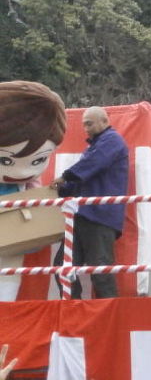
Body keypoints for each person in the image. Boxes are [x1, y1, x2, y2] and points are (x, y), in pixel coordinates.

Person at [51, 106, 129, 299]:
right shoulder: (95, 147)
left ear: (105, 121)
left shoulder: (112, 140)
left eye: (89, 123)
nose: (85, 128)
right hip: (83, 214)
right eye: (84, 124)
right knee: (63, 267)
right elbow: (83, 176)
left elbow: (93, 164)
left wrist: (64, 178)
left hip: (100, 216)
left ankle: (111, 315)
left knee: (100, 271)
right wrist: (59, 190)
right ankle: (75, 308)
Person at [0, 81, 67, 301]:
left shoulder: (30, 181)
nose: (22, 171)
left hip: (13, 236)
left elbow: (33, 189)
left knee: (9, 273)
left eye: (38, 160)